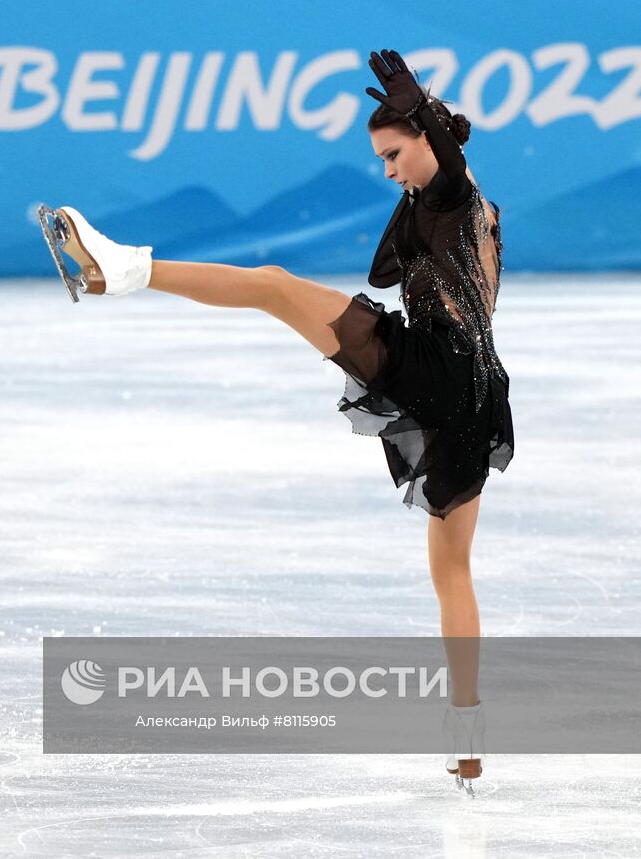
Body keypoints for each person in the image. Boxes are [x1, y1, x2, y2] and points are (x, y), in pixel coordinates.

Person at [40, 49, 512, 794]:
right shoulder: (451, 203)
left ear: (426, 138)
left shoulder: (454, 193)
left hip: (439, 368)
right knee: (451, 570)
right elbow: (389, 270)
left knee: (271, 285)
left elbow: (438, 179)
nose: (388, 170)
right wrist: (420, 144)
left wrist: (423, 116)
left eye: (394, 154)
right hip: (476, 398)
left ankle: (119, 268)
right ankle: (469, 733)